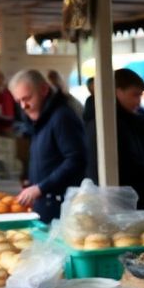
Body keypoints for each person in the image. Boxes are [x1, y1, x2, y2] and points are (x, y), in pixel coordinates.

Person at [8, 69, 86, 223]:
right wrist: (31, 183)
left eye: (27, 98)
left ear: (44, 90)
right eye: (19, 102)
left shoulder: (61, 117)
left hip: (62, 209)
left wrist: (40, 188)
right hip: (45, 206)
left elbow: (76, 159)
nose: (24, 106)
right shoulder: (39, 120)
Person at [88, 68, 144, 209]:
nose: (139, 102)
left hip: (130, 197)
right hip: (120, 202)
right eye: (135, 95)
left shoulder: (130, 120)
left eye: (140, 96)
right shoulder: (108, 124)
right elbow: (129, 164)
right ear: (117, 91)